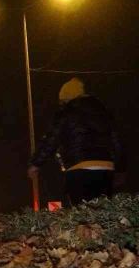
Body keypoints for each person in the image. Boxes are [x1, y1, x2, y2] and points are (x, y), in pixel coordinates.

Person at [28, 77, 126, 206]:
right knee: (102, 211)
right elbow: (117, 141)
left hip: (79, 169)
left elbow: (51, 140)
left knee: (82, 213)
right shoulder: (104, 113)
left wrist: (36, 164)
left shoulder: (66, 113)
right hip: (105, 169)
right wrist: (120, 169)